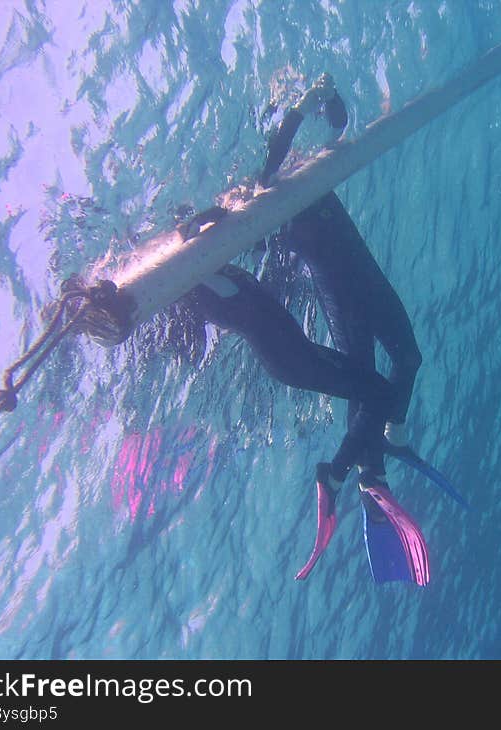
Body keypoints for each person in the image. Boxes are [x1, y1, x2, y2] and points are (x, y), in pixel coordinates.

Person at [183, 75, 431, 585]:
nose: (285, 149)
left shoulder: (303, 177)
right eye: (280, 138)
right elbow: (268, 166)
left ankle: (378, 457)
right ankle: (361, 472)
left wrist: (332, 103)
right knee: (367, 383)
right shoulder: (267, 197)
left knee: (408, 359)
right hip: (340, 294)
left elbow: (338, 128)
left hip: (365, 276)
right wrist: (300, 107)